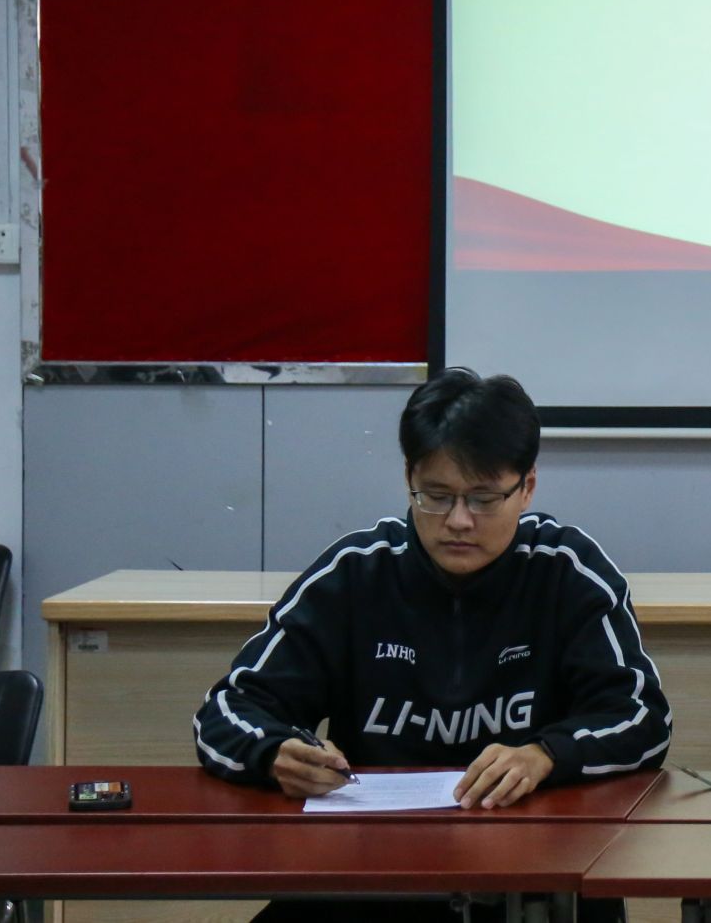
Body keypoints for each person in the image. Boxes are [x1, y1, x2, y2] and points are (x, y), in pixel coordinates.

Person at [193, 369, 670, 919]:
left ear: (527, 487)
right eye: (436, 496)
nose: (458, 521)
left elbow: (642, 718)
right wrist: (273, 751)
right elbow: (226, 710)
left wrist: (547, 754)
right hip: (374, 872)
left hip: (538, 874)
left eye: (484, 498)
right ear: (408, 479)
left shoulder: (568, 572)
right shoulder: (356, 573)